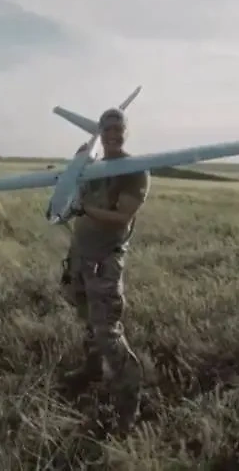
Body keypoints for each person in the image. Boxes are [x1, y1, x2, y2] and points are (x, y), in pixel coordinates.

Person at [60, 106, 151, 435]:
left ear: (126, 131)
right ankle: (92, 370)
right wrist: (76, 166)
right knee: (86, 318)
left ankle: (129, 405)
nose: (113, 134)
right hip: (81, 255)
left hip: (105, 260)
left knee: (108, 331)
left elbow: (121, 218)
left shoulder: (135, 171)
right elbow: (71, 197)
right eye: (107, 129)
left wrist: (83, 208)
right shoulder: (93, 167)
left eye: (118, 129)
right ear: (100, 132)